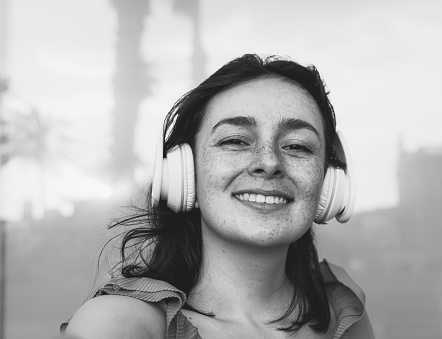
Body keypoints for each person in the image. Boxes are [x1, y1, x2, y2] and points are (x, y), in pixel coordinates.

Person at [61, 54, 375, 338]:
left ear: (328, 184)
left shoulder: (345, 318)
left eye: (297, 146)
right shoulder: (120, 323)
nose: (268, 163)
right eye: (236, 140)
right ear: (184, 172)